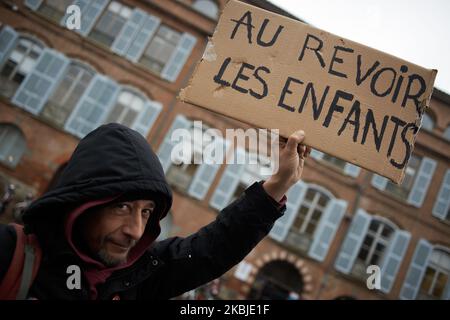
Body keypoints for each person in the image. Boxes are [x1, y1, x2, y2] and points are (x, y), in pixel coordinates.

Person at [0, 122, 310, 300]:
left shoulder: (137, 277)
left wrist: (278, 185)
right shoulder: (9, 254)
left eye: (147, 212)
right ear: (82, 205)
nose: (135, 230)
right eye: (122, 207)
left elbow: (212, 248)